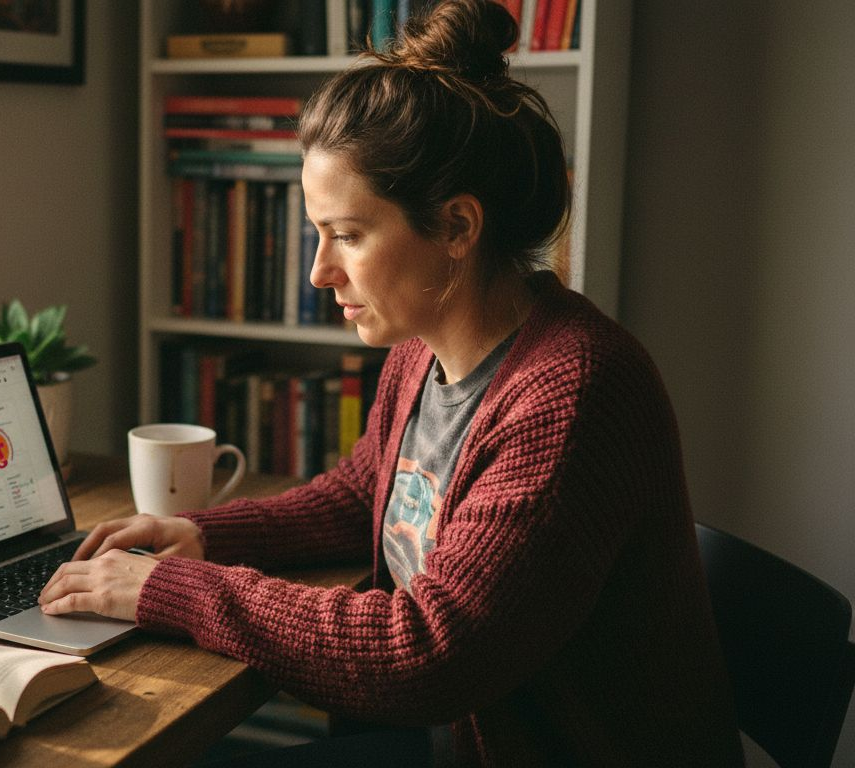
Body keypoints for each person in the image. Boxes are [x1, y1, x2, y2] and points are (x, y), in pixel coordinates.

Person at [39, 1, 743, 764]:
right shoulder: (422, 348)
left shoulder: (575, 396)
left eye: (346, 235)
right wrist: (207, 535)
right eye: (318, 234)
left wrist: (171, 591)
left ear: (457, 227)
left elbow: (428, 653)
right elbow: (365, 496)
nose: (319, 271)